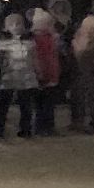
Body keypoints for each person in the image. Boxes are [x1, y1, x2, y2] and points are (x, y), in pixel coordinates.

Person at [0, 12, 40, 139]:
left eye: (18, 23)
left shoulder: (30, 44)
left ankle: (26, 129)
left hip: (26, 77)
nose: (15, 26)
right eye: (11, 24)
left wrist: (38, 72)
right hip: (9, 77)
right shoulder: (1, 44)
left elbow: (35, 60)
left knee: (26, 105)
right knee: (4, 104)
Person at [69, 14, 94, 133]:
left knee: (93, 99)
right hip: (81, 74)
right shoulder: (79, 38)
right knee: (79, 97)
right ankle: (79, 121)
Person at [30, 7, 62, 136]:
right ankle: (44, 126)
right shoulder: (40, 40)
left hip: (47, 74)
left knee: (45, 103)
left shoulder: (48, 38)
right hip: (43, 74)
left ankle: (45, 126)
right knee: (45, 104)